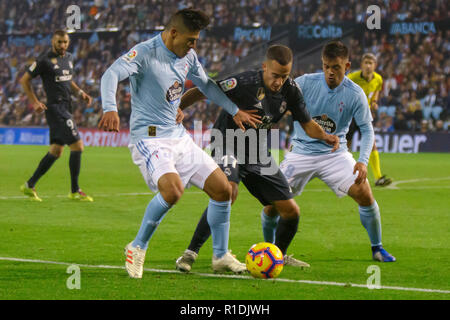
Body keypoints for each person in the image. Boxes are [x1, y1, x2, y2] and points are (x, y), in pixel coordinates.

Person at [99, 8, 261, 279]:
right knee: (173, 191)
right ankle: (137, 246)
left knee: (223, 190)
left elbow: (207, 86)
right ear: (173, 33)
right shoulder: (145, 53)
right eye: (190, 40)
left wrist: (235, 110)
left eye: (196, 40)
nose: (194, 45)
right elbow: (110, 75)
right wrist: (109, 108)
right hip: (150, 139)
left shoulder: (189, 56)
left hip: (178, 136)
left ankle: (220, 256)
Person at [175, 44, 340, 272]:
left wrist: (326, 136)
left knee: (291, 211)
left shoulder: (291, 91)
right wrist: (178, 108)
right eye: (274, 76)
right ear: (264, 67)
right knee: (227, 192)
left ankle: (276, 258)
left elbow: (308, 123)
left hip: (256, 151)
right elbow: (205, 89)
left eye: (284, 76)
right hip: (227, 142)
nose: (279, 81)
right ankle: (190, 253)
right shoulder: (245, 82)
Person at [263, 41, 396, 263]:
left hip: (335, 154)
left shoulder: (355, 94)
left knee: (364, 193)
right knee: (271, 204)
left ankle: (377, 248)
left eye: (336, 67)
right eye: (326, 66)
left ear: (348, 66)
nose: (330, 72)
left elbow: (366, 129)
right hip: (300, 153)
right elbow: (277, 103)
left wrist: (362, 161)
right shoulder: (305, 83)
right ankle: (271, 252)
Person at [19, 30, 94, 202]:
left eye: (65, 42)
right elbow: (24, 80)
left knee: (56, 150)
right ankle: (75, 190)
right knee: (78, 146)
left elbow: (68, 80)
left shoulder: (68, 58)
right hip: (56, 108)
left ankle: (29, 185)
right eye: (59, 42)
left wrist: (80, 92)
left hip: (67, 106)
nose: (62, 45)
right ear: (53, 41)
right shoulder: (43, 60)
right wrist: (35, 102)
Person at [347, 53, 392, 187]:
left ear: (375, 65)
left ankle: (378, 177)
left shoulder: (378, 79)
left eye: (370, 63)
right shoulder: (352, 78)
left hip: (364, 115)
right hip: (350, 114)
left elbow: (377, 90)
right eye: (365, 63)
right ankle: (344, 174)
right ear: (361, 65)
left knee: (372, 144)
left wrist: (374, 101)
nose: (368, 66)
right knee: (346, 145)